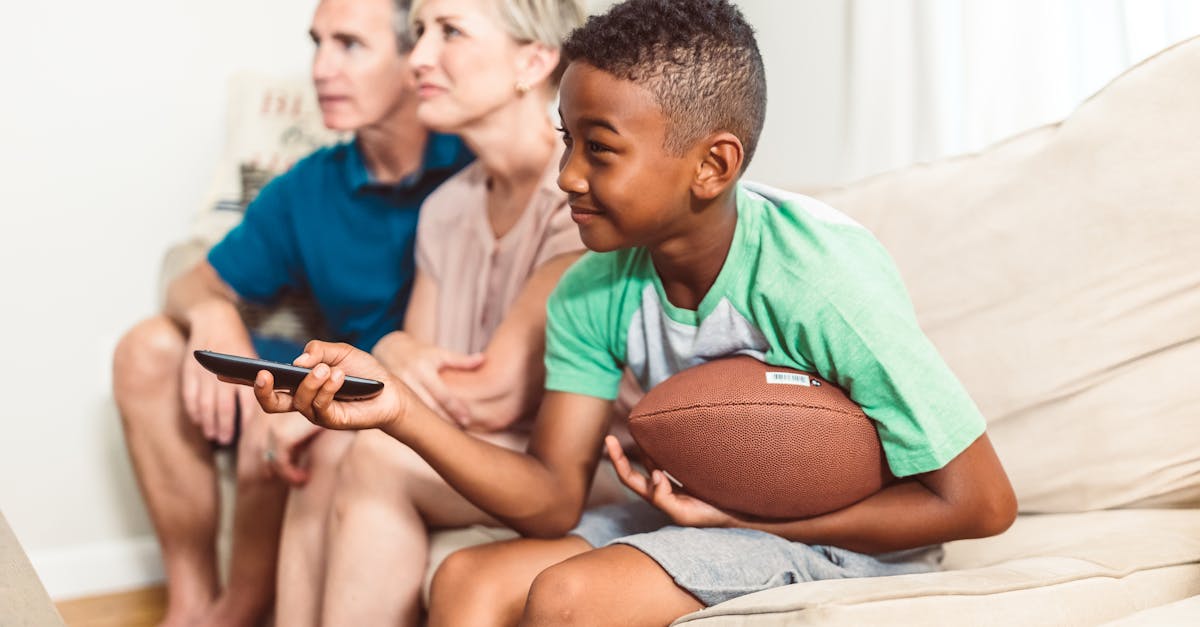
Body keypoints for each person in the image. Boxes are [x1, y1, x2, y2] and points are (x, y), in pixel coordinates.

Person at [251, 0, 1019, 624]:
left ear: (713, 166)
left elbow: (982, 502)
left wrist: (753, 521)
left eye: (601, 149)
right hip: (701, 513)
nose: (568, 176)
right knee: (465, 580)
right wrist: (399, 411)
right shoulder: (592, 286)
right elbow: (552, 496)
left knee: (568, 596)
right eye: (566, 141)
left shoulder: (816, 277)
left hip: (851, 537)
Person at [110, 0, 471, 624]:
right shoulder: (310, 185)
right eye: (316, 44)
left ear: (416, 56)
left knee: (299, 415)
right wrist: (212, 313)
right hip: (340, 373)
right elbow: (193, 282)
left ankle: (244, 606)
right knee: (146, 348)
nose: (321, 69)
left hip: (419, 387)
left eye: (349, 45)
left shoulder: (472, 166)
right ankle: (193, 604)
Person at [264, 1, 617, 625]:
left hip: (591, 466)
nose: (419, 58)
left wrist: (397, 352)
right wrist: (396, 352)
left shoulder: (582, 202)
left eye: (449, 32)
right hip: (489, 447)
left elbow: (490, 397)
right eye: (420, 32)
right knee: (330, 451)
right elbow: (404, 385)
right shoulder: (447, 207)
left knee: (374, 454)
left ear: (533, 62)